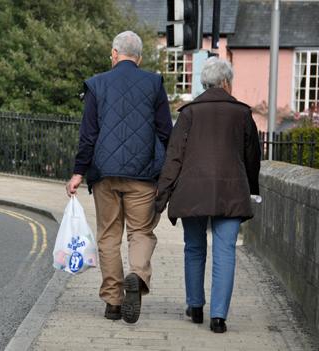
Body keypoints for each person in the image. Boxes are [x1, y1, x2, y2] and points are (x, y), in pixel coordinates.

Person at [66, 31, 173, 324]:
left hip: (105, 175)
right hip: (143, 175)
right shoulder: (153, 84)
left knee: (109, 235)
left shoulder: (97, 84)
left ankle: (113, 302)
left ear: (114, 54)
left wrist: (78, 173)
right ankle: (137, 276)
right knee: (140, 232)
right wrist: (169, 171)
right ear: (139, 57)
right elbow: (166, 132)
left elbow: (88, 135)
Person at [155, 57, 261, 333]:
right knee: (225, 251)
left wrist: (161, 196)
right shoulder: (242, 113)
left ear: (205, 83)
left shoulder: (189, 113)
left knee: (194, 247)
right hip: (231, 190)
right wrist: (252, 189)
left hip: (192, 192)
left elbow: (174, 157)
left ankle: (196, 306)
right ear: (226, 82)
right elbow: (252, 157)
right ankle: (218, 317)